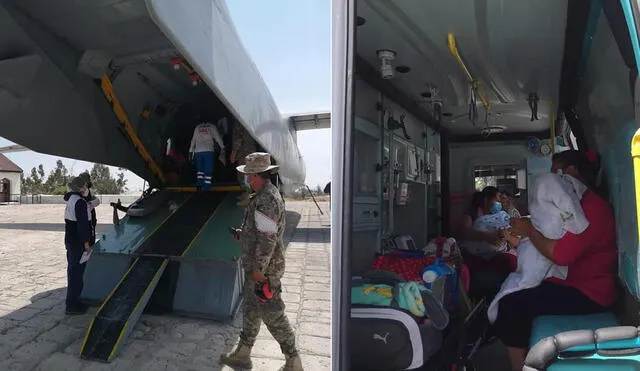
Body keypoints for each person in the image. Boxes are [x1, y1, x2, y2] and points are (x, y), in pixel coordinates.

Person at [493, 150, 617, 371]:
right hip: (571, 283)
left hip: (590, 293)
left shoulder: (592, 208)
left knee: (512, 305)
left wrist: (531, 231)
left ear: (569, 172)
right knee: (511, 291)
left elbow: (561, 255)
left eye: (554, 175)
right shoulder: (576, 204)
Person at [220, 152, 303, 371]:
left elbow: (268, 239)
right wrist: (243, 233)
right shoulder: (263, 195)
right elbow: (261, 231)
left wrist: (259, 270)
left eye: (249, 175)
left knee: (273, 314)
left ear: (256, 175)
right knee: (251, 310)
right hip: (257, 266)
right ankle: (243, 354)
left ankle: (293, 360)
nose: (247, 179)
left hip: (265, 270)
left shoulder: (266, 199)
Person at [458, 187, 519, 279]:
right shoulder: (472, 213)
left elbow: (516, 239)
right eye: (497, 198)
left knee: (510, 262)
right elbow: (465, 231)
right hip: (477, 255)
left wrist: (506, 237)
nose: (499, 201)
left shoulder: (502, 216)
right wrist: (487, 237)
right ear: (486, 199)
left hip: (498, 254)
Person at [63, 176, 93, 315]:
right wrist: (86, 243)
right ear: (81, 188)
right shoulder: (80, 202)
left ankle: (72, 301)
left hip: (70, 241)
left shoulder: (71, 200)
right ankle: (73, 305)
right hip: (78, 243)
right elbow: (83, 225)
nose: (87, 189)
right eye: (85, 186)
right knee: (77, 274)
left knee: (72, 272)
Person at [189, 120, 226, 191]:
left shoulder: (197, 127)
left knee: (200, 170)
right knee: (208, 169)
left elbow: (193, 140)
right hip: (208, 151)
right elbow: (218, 138)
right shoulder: (212, 126)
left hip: (198, 151)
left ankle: (199, 185)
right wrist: (222, 147)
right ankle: (206, 187)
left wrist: (190, 152)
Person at [230, 121, 257, 206]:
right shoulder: (247, 121)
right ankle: (245, 194)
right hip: (248, 151)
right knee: (243, 174)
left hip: (244, 152)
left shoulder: (239, 122)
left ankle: (247, 197)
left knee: (245, 175)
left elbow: (238, 138)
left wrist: (234, 152)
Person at [77, 172, 100, 245]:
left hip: (91, 222)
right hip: (83, 221)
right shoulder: (77, 192)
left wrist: (90, 204)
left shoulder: (89, 191)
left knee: (91, 241)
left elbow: (97, 201)